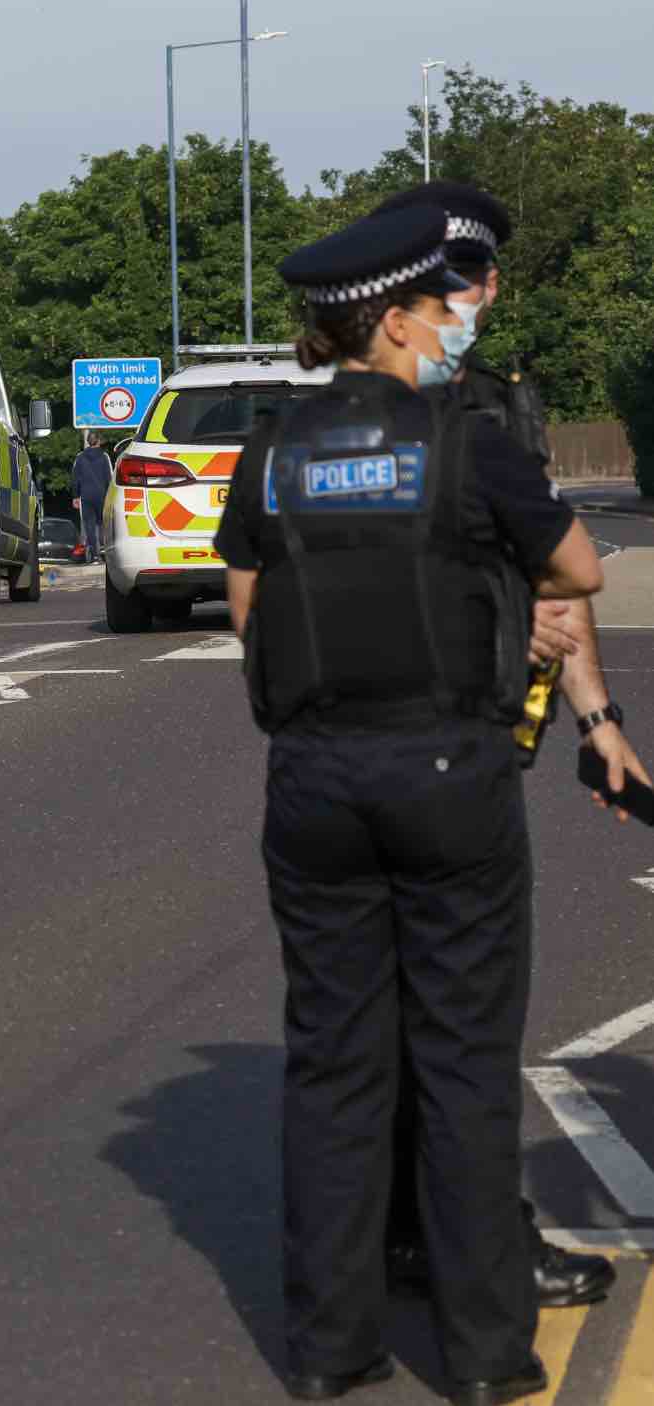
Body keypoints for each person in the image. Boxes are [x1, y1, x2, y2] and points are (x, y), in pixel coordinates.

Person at [213, 204, 605, 1404]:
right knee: (460, 1062)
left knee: (333, 1061)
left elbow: (246, 610)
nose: (450, 327)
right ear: (390, 321)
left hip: (312, 778)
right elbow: (578, 566)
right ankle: (484, 1354)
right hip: (444, 773)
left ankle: (328, 1346)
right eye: (438, 310)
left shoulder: (268, 451)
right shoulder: (462, 442)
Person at [367, 180, 647, 1314]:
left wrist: (596, 717)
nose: (469, 302)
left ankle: (411, 1232)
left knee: (426, 1011)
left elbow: (551, 578)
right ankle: (466, 1245)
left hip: (462, 738)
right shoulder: (365, 414)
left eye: (475, 282)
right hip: (401, 741)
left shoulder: (489, 410)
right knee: (442, 1016)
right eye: (450, 284)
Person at [70, 431, 112, 561]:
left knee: (89, 525)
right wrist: (110, 495)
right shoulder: (104, 457)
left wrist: (75, 496)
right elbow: (109, 477)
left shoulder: (80, 457)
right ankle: (104, 549)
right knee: (102, 523)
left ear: (88, 442)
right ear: (98, 441)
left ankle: (94, 553)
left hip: (86, 495)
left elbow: (75, 478)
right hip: (102, 495)